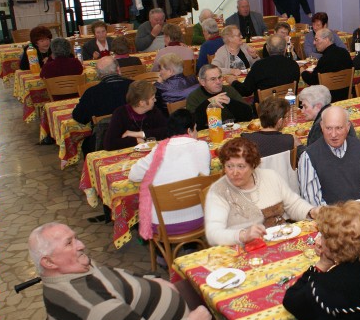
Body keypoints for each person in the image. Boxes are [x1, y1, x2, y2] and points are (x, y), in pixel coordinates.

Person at [29, 222, 240, 320]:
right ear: (49, 262)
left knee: (205, 283)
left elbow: (116, 278)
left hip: (149, 314)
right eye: (69, 243)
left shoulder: (72, 270)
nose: (80, 245)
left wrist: (153, 281)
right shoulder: (92, 307)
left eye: (76, 238)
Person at [204, 137, 317, 246]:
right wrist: (243, 235)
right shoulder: (219, 191)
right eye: (229, 166)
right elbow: (213, 233)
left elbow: (293, 204)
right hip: (242, 250)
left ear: (253, 165)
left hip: (280, 241)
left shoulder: (270, 177)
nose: (234, 172)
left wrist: (311, 211)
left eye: (241, 166)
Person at [128, 109, 211, 240]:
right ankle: (191, 246)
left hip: (163, 225)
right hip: (200, 220)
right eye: (196, 129)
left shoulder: (158, 150)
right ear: (189, 131)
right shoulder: (202, 146)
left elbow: (133, 175)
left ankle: (163, 255)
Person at [298, 106, 360, 205]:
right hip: (329, 218)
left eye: (339, 128)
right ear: (322, 126)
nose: (333, 134)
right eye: (328, 128)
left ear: (348, 127)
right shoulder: (309, 157)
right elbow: (313, 203)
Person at [72, 57, 133, 155]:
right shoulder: (135, 86)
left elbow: (79, 117)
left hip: (103, 142)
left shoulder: (92, 93)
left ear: (99, 75)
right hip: (134, 137)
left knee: (86, 144)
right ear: (118, 69)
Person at [242, 97, 300, 192]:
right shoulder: (290, 140)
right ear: (280, 121)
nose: (287, 120)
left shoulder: (246, 140)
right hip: (285, 190)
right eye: (286, 117)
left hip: (257, 192)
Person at [103, 80, 168, 151]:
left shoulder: (154, 111)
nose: (155, 100)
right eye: (152, 98)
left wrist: (140, 134)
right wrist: (136, 140)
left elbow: (167, 131)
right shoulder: (120, 113)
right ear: (142, 103)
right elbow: (109, 143)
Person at [231, 35, 300, 100]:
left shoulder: (259, 66)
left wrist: (234, 82)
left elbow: (246, 91)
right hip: (288, 106)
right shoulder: (294, 65)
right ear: (285, 48)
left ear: (267, 48)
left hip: (264, 109)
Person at [186, 64, 254, 129]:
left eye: (219, 77)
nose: (218, 82)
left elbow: (249, 115)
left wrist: (230, 102)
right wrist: (209, 103)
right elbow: (194, 125)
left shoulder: (229, 90)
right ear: (202, 82)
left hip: (233, 129)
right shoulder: (193, 97)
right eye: (213, 79)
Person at [301, 28, 354, 102]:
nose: (314, 43)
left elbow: (312, 80)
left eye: (316, 39)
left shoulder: (325, 59)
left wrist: (303, 72)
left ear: (326, 40)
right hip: (346, 95)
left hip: (328, 98)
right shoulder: (344, 53)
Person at [298, 85, 356, 149]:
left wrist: (298, 146)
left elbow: (312, 157)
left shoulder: (321, 126)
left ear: (318, 106)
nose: (302, 111)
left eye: (305, 107)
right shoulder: (339, 115)